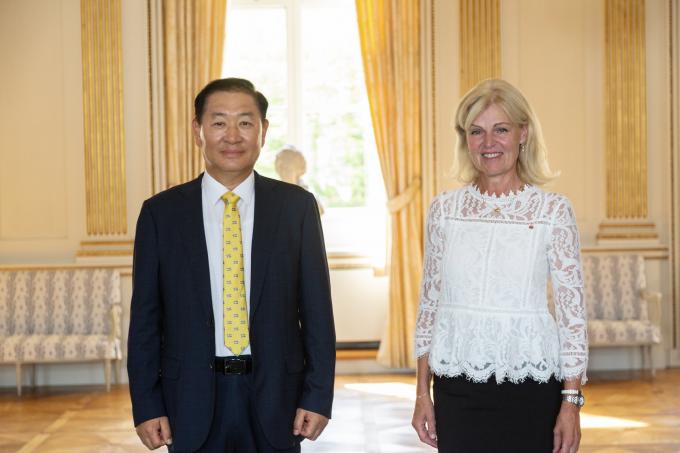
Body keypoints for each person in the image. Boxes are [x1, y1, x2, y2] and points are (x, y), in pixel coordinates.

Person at [128, 78, 336, 452]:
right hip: (189, 399)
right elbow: (145, 318)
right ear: (198, 130)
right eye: (219, 122)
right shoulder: (161, 214)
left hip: (277, 398)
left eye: (245, 122)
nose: (232, 136)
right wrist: (146, 404)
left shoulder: (296, 208)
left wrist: (318, 395)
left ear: (263, 131)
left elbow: (317, 311)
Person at [412, 79, 588, 453]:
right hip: (456, 387)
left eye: (501, 129)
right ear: (465, 139)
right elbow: (429, 308)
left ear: (523, 133)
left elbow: (572, 318)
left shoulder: (553, 211)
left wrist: (571, 403)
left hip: (532, 387)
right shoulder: (444, 210)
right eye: (476, 131)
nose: (488, 142)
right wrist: (421, 393)